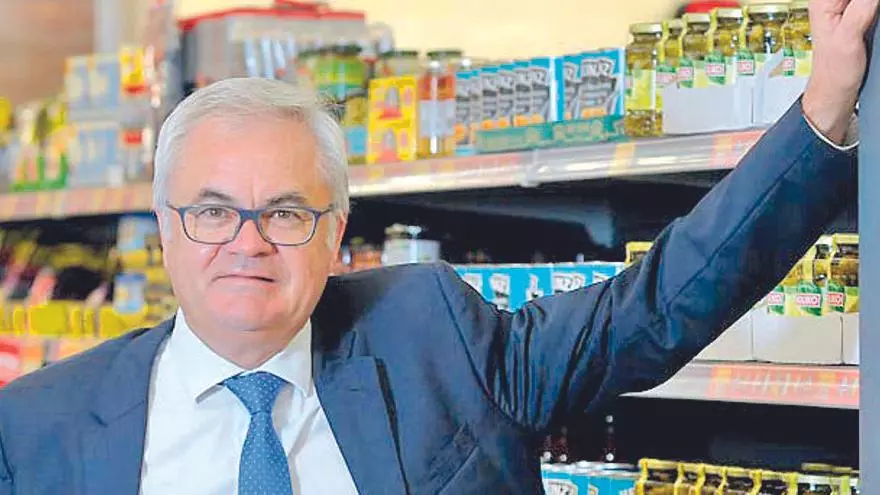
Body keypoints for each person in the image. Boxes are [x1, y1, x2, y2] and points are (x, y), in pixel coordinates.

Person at [0, 0, 874, 493]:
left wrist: (824, 107)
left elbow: (649, 308)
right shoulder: (40, 427)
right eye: (213, 212)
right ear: (165, 228)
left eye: (287, 212)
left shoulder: (432, 339)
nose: (249, 243)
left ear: (336, 233)